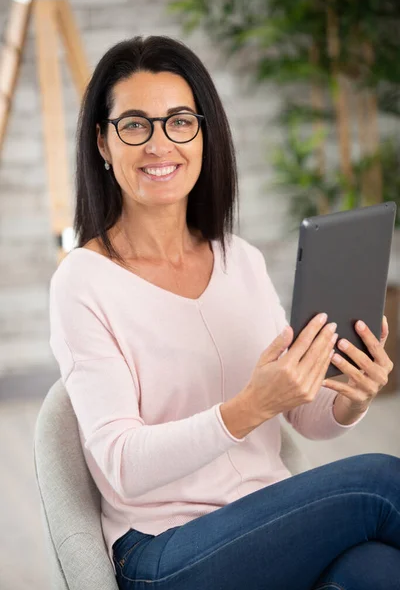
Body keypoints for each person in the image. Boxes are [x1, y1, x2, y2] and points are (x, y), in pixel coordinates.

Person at [48, 36, 399, 590]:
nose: (160, 144)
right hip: (166, 551)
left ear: (204, 134)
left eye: (180, 121)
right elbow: (121, 463)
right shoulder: (83, 281)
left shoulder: (241, 260)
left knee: (379, 571)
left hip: (267, 516)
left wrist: (350, 398)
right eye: (135, 125)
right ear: (102, 143)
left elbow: (303, 415)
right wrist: (248, 408)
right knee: (383, 483)